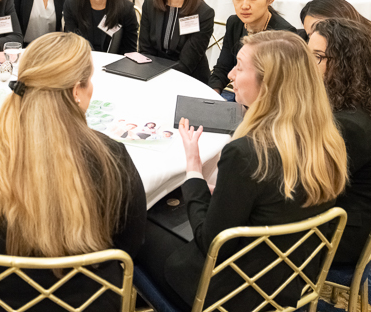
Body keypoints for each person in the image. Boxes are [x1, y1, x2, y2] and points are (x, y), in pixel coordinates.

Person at [137, 31, 347, 311]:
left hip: (233, 294)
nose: (231, 75)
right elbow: (272, 201)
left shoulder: (248, 153)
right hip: (290, 280)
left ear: (268, 83)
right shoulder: (327, 140)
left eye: (239, 66)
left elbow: (211, 242)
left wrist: (194, 170)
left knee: (139, 224)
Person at [0, 32, 146, 312]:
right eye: (89, 80)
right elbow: (128, 249)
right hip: (88, 302)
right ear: (76, 90)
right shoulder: (110, 157)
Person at [308, 18, 371, 264]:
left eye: (317, 57)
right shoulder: (354, 100)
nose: (306, 65)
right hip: (344, 210)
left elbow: (310, 187)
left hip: (344, 232)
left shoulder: (350, 125)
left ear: (344, 66)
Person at [298, 0, 371, 142]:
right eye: (310, 34)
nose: (317, 35)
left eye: (322, 28)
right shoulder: (363, 37)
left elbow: (370, 116)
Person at [208, 0, 296, 93]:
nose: (244, 5)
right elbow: (222, 69)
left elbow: (279, 89)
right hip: (237, 93)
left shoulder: (283, 34)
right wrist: (212, 96)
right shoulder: (234, 23)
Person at [139, 0, 214, 82]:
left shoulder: (203, 14)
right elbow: (145, 51)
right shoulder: (150, 3)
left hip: (189, 80)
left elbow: (186, 64)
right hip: (152, 76)